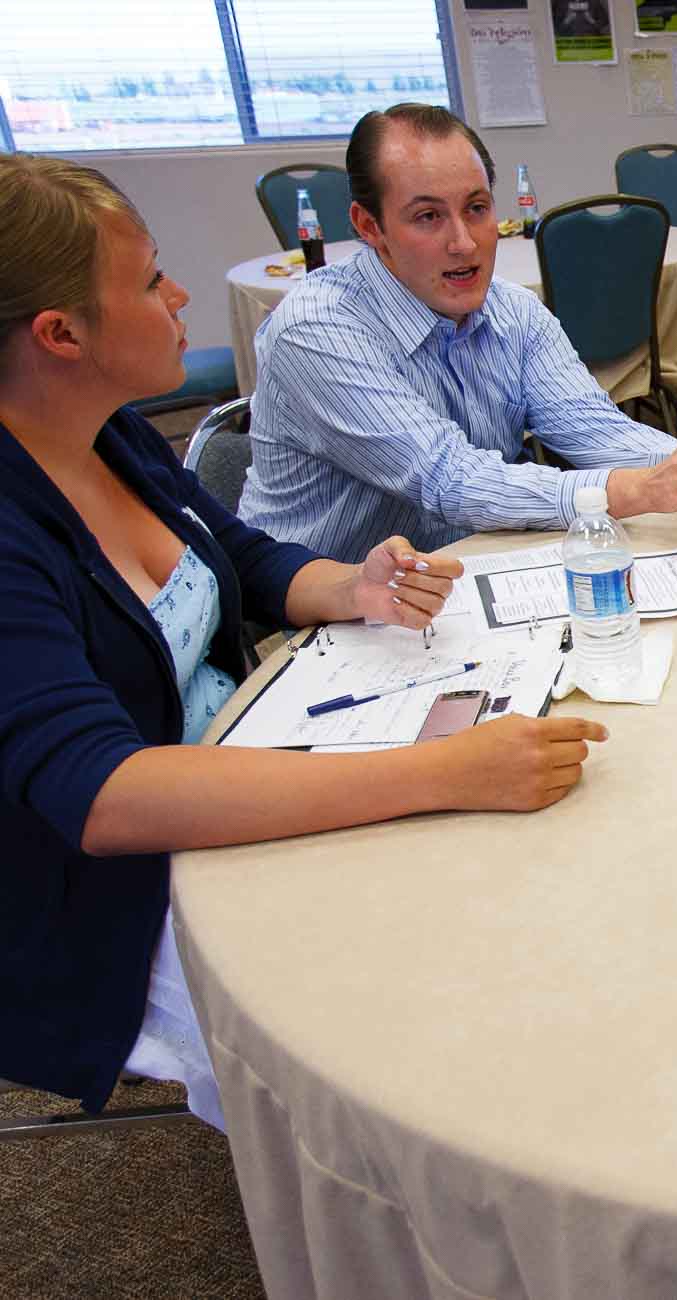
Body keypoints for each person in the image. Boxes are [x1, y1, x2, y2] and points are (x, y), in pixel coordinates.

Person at [0, 154, 610, 1128]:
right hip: (115, 898)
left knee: (494, 896)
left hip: (251, 755)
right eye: (152, 277)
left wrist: (353, 586)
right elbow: (103, 795)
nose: (181, 293)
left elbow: (241, 559)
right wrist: (440, 773)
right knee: (420, 1016)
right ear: (60, 333)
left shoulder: (107, 436)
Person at [241, 103, 677, 564]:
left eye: (475, 208)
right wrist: (627, 492)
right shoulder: (316, 330)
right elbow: (448, 480)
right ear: (370, 226)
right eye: (427, 217)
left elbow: (591, 428)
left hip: (465, 573)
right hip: (329, 616)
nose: (464, 243)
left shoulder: (512, 310)